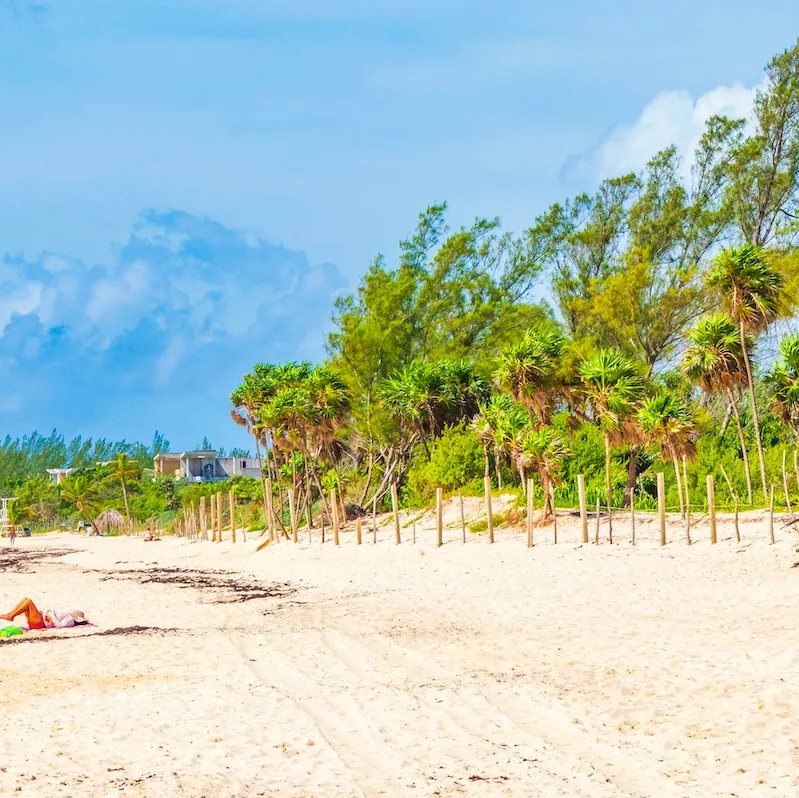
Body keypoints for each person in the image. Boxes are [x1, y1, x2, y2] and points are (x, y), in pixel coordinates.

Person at [1, 598, 88, 630]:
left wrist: (52, 616)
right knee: (25, 600)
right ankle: (10, 614)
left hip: (40, 623)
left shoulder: (70, 620)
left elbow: (60, 626)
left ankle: (10, 616)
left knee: (28, 602)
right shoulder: (68, 615)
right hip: (41, 617)